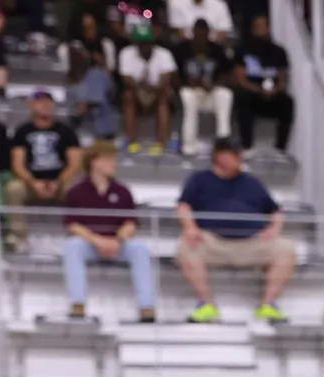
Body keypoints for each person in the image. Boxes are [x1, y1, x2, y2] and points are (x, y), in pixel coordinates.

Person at [174, 137, 294, 323]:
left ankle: (268, 305)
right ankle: (206, 305)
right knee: (185, 247)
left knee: (285, 249)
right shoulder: (199, 180)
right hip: (213, 243)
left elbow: (276, 211)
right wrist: (190, 228)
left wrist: (274, 228)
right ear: (220, 156)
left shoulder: (252, 183)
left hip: (252, 243)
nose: (241, 159)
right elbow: (183, 207)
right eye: (235, 155)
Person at [61, 140, 156, 323]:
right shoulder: (76, 191)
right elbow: (73, 225)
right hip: (90, 244)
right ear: (94, 162)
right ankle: (77, 305)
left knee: (140, 249)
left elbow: (131, 223)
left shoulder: (122, 191)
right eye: (109, 160)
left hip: (117, 244)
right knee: (73, 247)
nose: (114, 164)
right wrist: (97, 241)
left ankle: (147, 307)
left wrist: (117, 241)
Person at [6, 90, 81, 247]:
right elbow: (17, 165)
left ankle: (77, 235)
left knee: (78, 190)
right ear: (31, 105)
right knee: (13, 189)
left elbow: (74, 163)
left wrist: (58, 182)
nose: (45, 106)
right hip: (31, 183)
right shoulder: (23, 131)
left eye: (48, 102)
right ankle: (19, 237)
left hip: (60, 182)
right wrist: (33, 183)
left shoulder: (66, 131)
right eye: (40, 102)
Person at [232, 16, 293, 155]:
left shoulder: (279, 52)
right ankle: (246, 145)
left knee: (288, 102)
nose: (260, 31)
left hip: (272, 95)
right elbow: (240, 79)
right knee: (243, 98)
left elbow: (282, 80)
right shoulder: (243, 50)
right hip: (252, 93)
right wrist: (258, 90)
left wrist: (274, 90)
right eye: (256, 27)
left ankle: (280, 148)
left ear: (269, 29)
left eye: (262, 27)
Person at [173, 19, 234, 156]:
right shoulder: (182, 49)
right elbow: (174, 76)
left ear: (208, 34)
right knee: (187, 96)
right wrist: (189, 83)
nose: (200, 38)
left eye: (203, 35)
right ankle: (189, 146)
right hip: (191, 91)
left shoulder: (217, 50)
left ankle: (223, 144)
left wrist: (213, 85)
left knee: (225, 95)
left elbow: (228, 76)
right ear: (192, 33)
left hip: (211, 92)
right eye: (197, 35)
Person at [117, 24, 175, 154]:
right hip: (136, 91)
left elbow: (166, 79)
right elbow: (126, 79)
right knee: (128, 96)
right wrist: (141, 89)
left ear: (153, 41)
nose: (145, 46)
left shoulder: (164, 54)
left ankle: (160, 144)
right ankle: (132, 143)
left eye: (147, 42)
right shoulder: (126, 53)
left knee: (165, 97)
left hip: (158, 92)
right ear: (136, 43)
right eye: (141, 43)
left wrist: (152, 89)